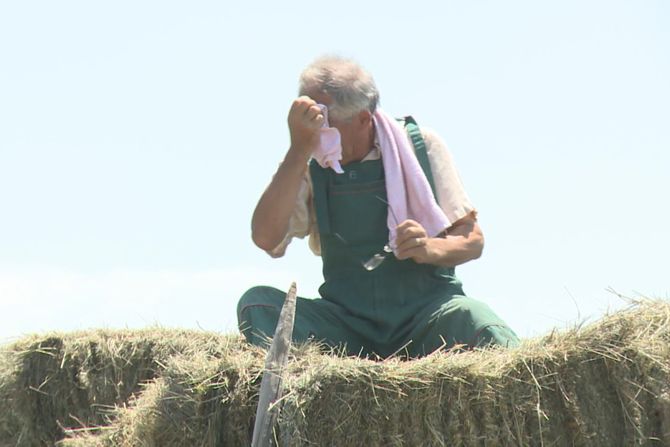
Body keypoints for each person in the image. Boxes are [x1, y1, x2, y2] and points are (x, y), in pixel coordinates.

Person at [237, 56, 519, 358]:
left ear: (363, 118)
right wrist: (297, 149)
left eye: (328, 126)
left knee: (479, 323)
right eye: (313, 125)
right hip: (347, 327)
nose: (321, 137)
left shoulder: (420, 147)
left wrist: (429, 248)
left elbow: (473, 240)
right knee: (258, 306)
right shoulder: (309, 162)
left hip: (426, 319)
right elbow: (265, 237)